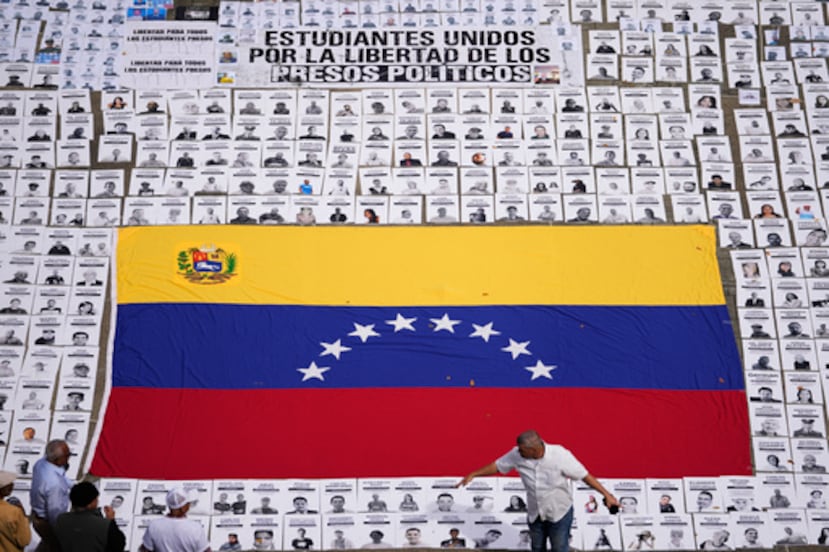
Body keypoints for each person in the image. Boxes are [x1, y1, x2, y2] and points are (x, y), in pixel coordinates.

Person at [457, 430, 618, 552]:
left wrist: (607, 495)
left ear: (533, 450)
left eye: (522, 450)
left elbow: (584, 476)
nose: (518, 452)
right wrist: (473, 474)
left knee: (559, 548)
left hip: (559, 512)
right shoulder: (517, 454)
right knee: (537, 548)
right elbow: (498, 466)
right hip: (536, 514)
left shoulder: (560, 455)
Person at [55, 481, 126, 551]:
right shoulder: (104, 525)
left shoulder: (61, 520)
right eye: (96, 499)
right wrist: (111, 520)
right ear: (90, 504)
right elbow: (119, 545)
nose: (98, 502)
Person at [31, 440, 72, 552]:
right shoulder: (54, 484)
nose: (69, 457)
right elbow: (55, 513)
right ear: (57, 459)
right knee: (56, 546)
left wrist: (73, 485)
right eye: (67, 455)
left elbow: (61, 478)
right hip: (48, 522)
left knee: (47, 544)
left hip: (38, 516)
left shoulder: (41, 463)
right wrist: (62, 531)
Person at [140, 487, 210, 552]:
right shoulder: (195, 528)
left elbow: (144, 550)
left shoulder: (154, 526)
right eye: (188, 503)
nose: (189, 505)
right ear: (183, 508)